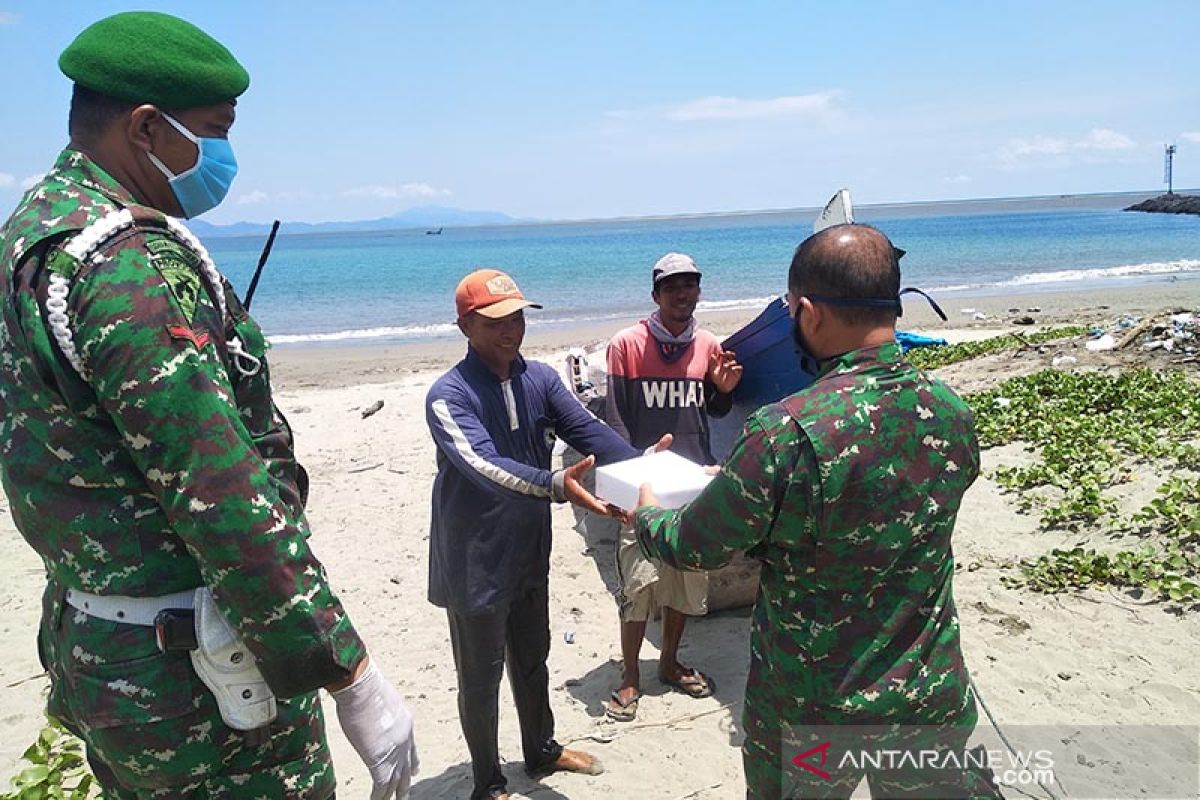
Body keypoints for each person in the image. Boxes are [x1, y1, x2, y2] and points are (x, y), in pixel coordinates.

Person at [0, 12, 415, 798]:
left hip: (100, 641)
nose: (224, 158)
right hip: (195, 675)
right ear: (147, 128)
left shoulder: (31, 233)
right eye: (214, 132)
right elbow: (221, 497)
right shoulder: (125, 266)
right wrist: (348, 672)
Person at [630, 225, 992, 798]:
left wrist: (647, 513)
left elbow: (694, 546)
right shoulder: (950, 411)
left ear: (808, 312)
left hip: (814, 704)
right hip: (927, 691)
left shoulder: (784, 431)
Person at [426, 269, 665, 800]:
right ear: (465, 325)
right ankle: (488, 782)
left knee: (533, 657)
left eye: (516, 317)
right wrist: (557, 484)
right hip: (474, 560)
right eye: (495, 321)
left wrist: (648, 465)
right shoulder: (448, 395)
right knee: (481, 677)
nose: (511, 330)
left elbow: (587, 429)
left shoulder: (541, 380)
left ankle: (540, 750)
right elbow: (484, 466)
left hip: (529, 549)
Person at [602, 252, 742, 721]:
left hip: (692, 481)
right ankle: (629, 676)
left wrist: (722, 390)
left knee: (685, 582)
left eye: (691, 285)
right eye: (673, 286)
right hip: (641, 482)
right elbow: (615, 416)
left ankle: (668, 662)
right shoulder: (625, 343)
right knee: (639, 585)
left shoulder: (707, 344)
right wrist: (621, 480)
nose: (683, 294)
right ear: (656, 294)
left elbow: (713, 414)